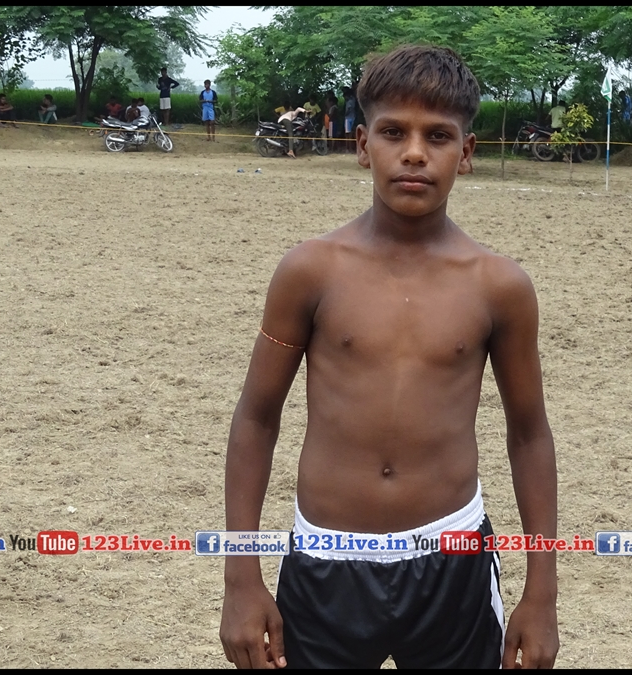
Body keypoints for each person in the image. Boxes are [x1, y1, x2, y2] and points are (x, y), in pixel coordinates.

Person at [218, 44, 558, 670]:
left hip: (453, 558)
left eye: (438, 136)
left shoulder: (498, 286)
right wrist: (241, 577)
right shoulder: (310, 271)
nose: (414, 153)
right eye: (393, 132)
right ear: (362, 143)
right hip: (326, 561)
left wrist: (542, 594)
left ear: (467, 153)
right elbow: (256, 419)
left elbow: (530, 434)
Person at [343, 85, 357, 151]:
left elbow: (348, 110)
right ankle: (350, 147)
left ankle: (348, 148)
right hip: (353, 117)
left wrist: (345, 114)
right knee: (351, 133)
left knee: (348, 134)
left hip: (348, 118)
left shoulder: (349, 101)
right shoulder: (353, 100)